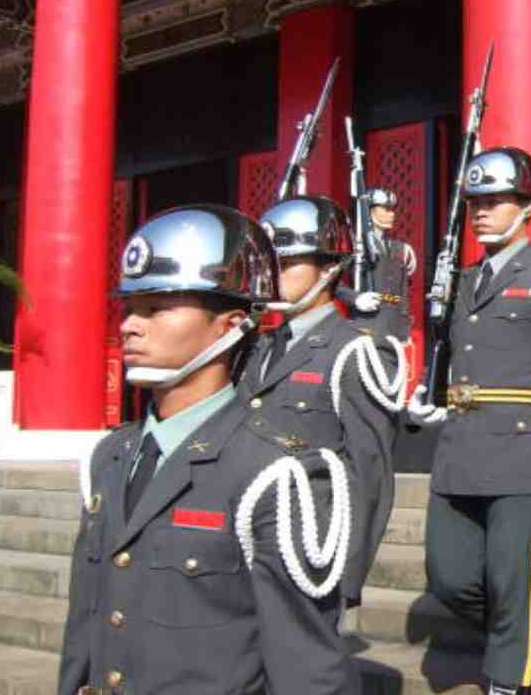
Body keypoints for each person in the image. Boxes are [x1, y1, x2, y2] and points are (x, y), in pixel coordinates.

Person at [59, 204, 356, 695]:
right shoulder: (108, 456)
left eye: (157, 308)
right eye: (130, 309)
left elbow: (306, 669)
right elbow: (84, 634)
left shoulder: (273, 471)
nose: (130, 325)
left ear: (230, 324)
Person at [404, 147, 531, 695]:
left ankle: (511, 678)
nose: (482, 212)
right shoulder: (460, 281)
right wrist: (429, 395)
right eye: (475, 203)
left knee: (513, 579)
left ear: (529, 206)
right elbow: (452, 355)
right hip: (460, 449)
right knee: (449, 578)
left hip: (523, 450)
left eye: (495, 201)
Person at [240, 194, 406, 610]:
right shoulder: (257, 347)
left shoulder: (353, 352)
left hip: (307, 554)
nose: (275, 274)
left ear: (329, 269)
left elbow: (368, 472)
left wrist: (344, 577)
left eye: (288, 263)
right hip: (244, 548)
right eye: (271, 263)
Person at [337, 187, 416, 343]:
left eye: (392, 209)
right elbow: (333, 283)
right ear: (369, 211)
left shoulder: (398, 248)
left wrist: (404, 329)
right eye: (386, 209)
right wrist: (355, 298)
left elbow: (402, 296)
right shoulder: (354, 246)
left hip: (393, 330)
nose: (392, 214)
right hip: (366, 327)